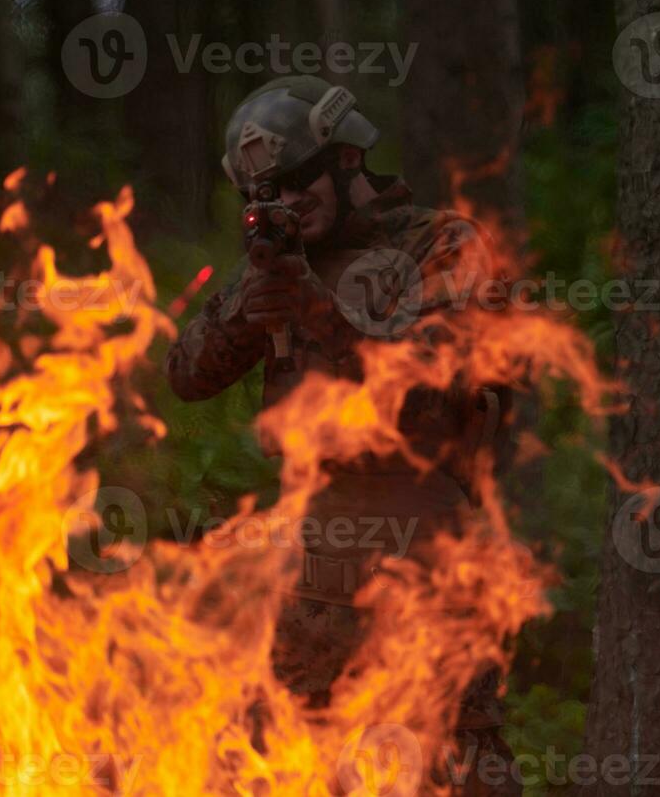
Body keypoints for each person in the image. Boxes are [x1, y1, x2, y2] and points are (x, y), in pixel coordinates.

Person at [165, 75, 519, 795]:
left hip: (425, 562)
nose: (286, 205)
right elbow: (187, 375)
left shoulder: (441, 243)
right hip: (309, 570)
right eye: (264, 196)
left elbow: (433, 390)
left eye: (297, 182)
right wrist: (247, 311)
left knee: (449, 770)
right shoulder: (283, 261)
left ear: (346, 161)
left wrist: (319, 312)